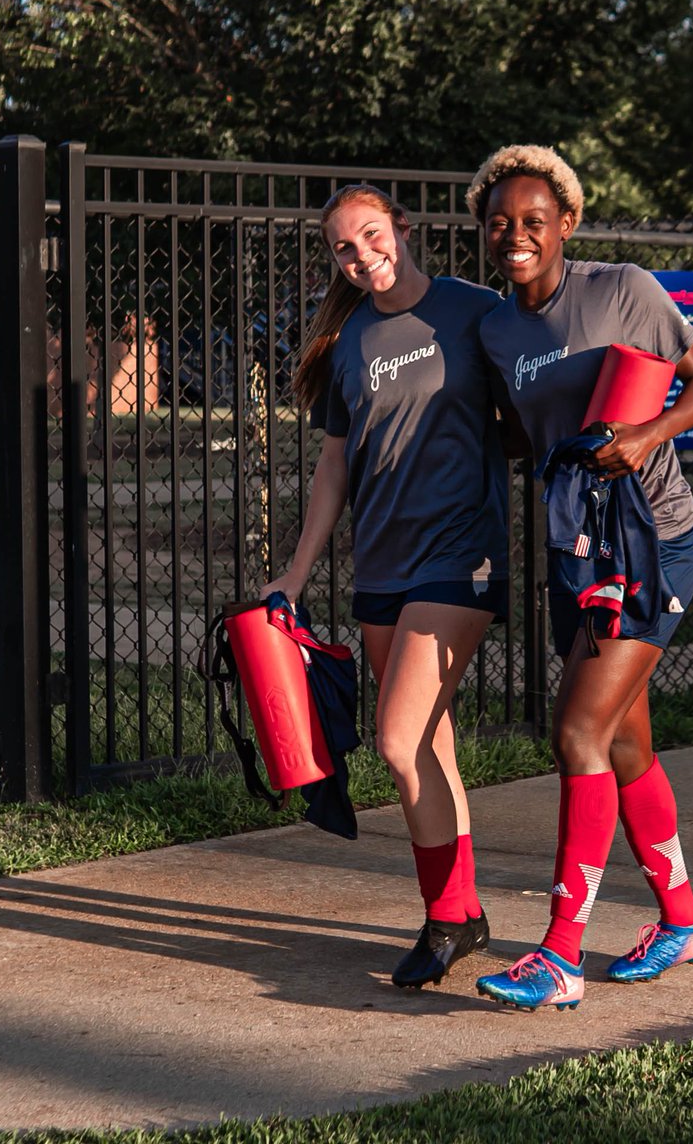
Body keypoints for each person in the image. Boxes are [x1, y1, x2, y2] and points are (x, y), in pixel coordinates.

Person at [465, 145, 693, 1010]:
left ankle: (560, 955)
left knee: (577, 733)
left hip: (654, 543)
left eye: (534, 221)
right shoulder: (497, 330)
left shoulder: (623, 291)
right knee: (623, 745)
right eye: (500, 222)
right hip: (578, 552)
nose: (516, 235)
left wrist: (647, 437)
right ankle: (684, 921)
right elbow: (519, 435)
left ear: (566, 224)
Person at [260, 184, 508, 989]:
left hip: (458, 561)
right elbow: (335, 463)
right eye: (344, 247)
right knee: (430, 746)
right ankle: (464, 913)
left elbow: (534, 402)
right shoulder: (349, 339)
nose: (362, 255)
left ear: (402, 228)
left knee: (399, 742)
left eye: (373, 235)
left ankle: (447, 920)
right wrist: (297, 571)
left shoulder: (474, 311)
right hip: (383, 568)